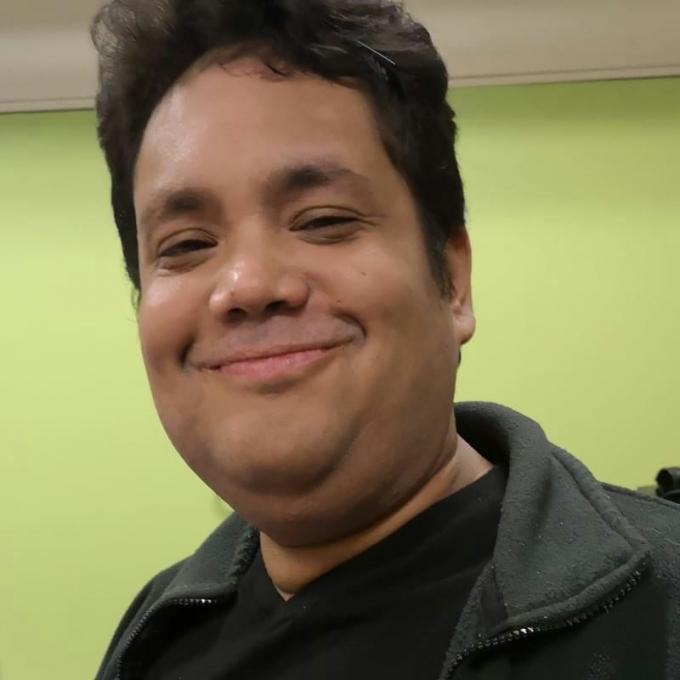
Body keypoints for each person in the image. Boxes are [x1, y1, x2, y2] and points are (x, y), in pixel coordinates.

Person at [90, 1, 680, 678]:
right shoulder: (156, 637)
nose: (248, 284)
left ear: (452, 281)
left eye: (323, 220)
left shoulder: (659, 612)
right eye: (186, 244)